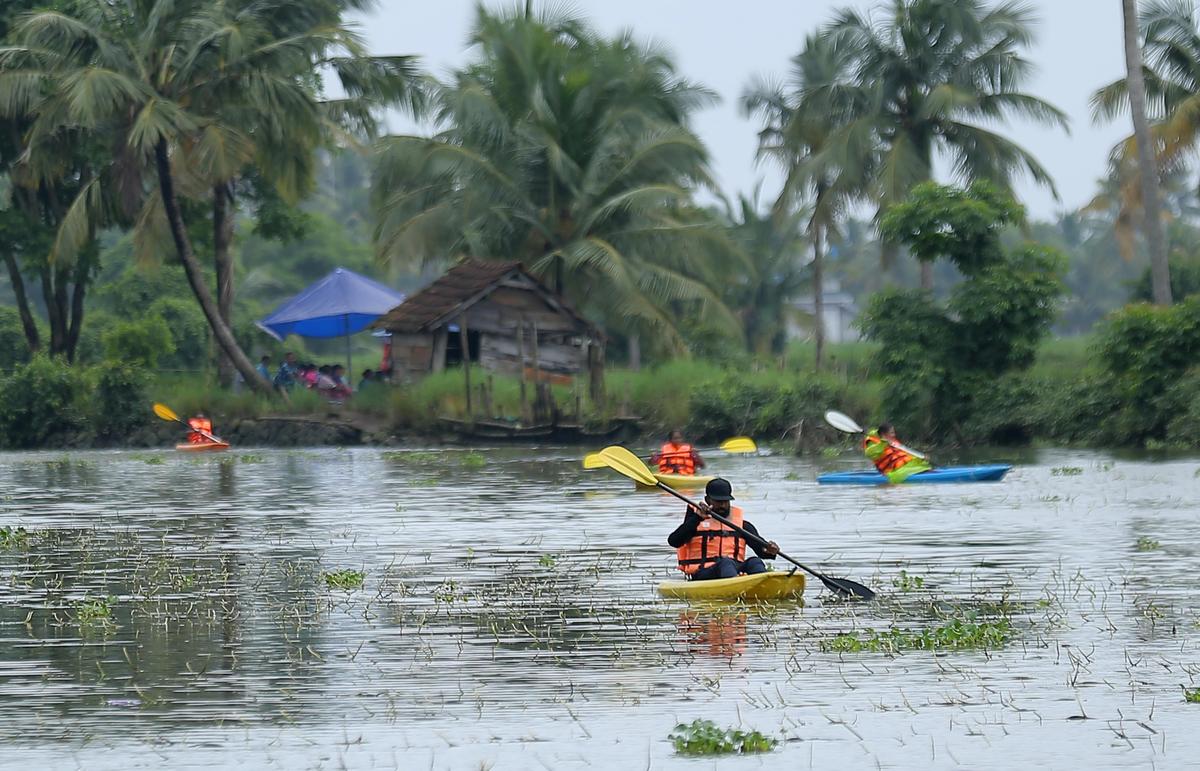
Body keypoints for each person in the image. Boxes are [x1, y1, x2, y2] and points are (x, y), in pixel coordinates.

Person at [668, 478, 779, 581]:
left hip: (732, 570)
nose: (723, 505)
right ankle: (735, 585)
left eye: (726, 501)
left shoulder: (742, 525)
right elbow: (674, 541)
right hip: (704, 573)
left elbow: (761, 551)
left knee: (755, 562)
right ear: (707, 500)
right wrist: (697, 518)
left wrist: (769, 550)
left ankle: (764, 584)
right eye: (718, 501)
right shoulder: (695, 521)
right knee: (726, 562)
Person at [863, 422, 931, 483]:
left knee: (925, 466)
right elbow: (869, 453)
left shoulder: (893, 441)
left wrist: (920, 458)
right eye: (892, 432)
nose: (894, 435)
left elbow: (904, 454)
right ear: (884, 434)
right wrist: (883, 443)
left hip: (906, 467)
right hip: (893, 471)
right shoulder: (872, 442)